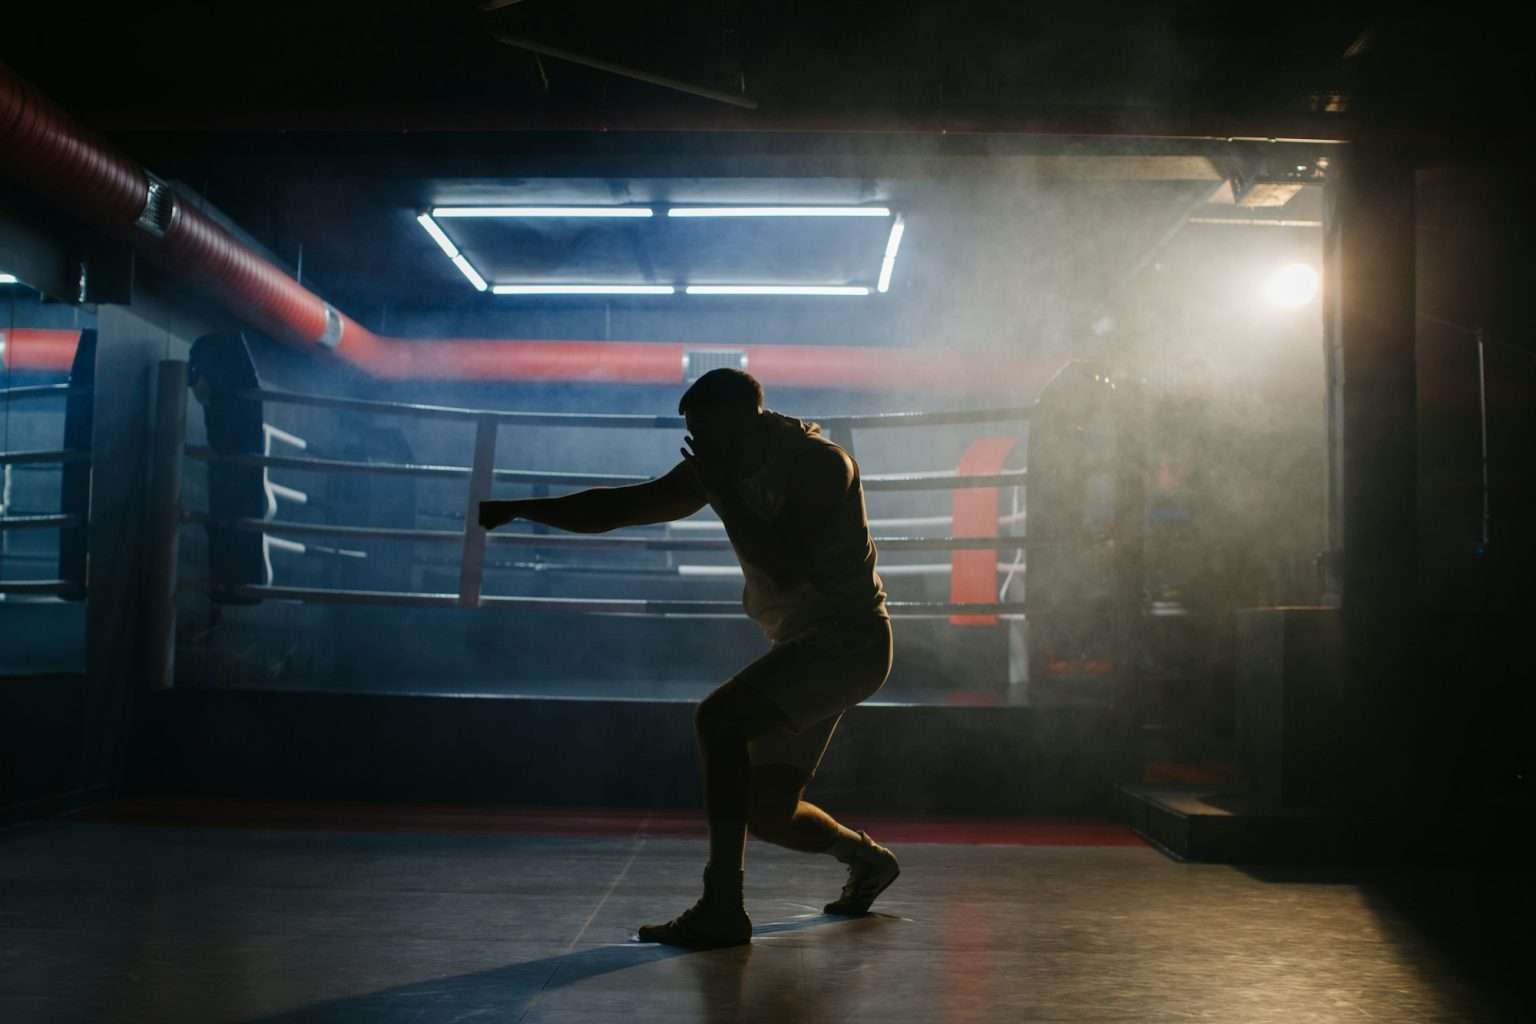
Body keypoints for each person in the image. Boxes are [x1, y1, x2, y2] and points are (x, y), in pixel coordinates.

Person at [479, 368, 900, 948]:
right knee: (769, 813)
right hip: (808, 645)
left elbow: (786, 565)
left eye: (706, 432)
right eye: (694, 435)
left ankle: (722, 905)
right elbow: (621, 507)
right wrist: (524, 508)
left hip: (848, 642)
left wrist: (724, 493)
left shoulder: (819, 465)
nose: (698, 447)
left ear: (745, 421)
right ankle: (868, 859)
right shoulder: (723, 462)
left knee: (719, 720)